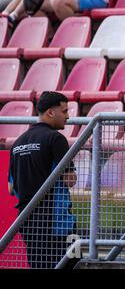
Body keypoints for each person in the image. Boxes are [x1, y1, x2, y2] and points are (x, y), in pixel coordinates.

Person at [8, 91, 79, 269]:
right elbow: (70, 179)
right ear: (50, 112)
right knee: (75, 262)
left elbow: (10, 187)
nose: (68, 116)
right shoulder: (56, 139)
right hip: (59, 223)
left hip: (27, 222)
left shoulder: (18, 142)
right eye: (64, 111)